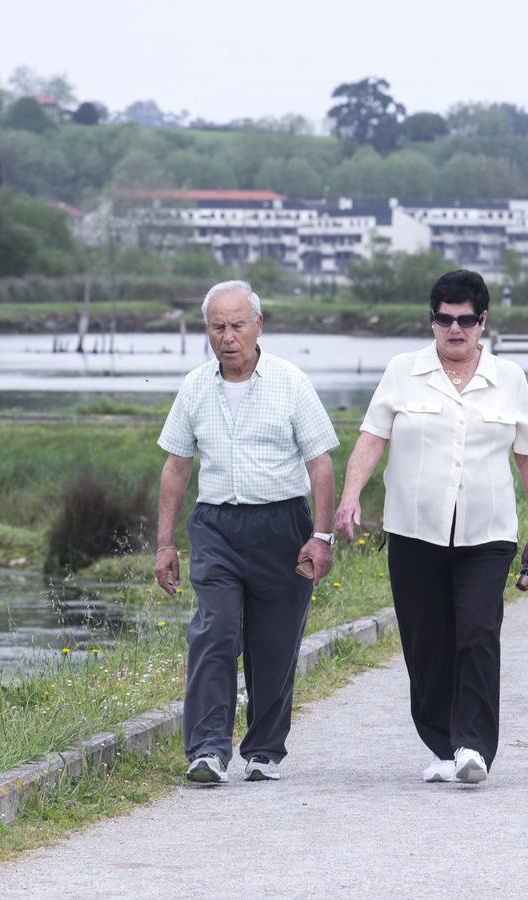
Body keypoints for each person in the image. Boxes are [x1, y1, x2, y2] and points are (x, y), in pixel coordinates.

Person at [335, 269, 528, 786]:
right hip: (414, 532)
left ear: (483, 322)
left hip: (488, 533)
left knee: (478, 632)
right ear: (431, 320)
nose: (454, 329)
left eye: (465, 321)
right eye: (444, 319)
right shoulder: (402, 372)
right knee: (426, 641)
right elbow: (371, 439)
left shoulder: (510, 379)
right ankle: (444, 742)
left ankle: (474, 746)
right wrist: (349, 498)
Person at [154, 279, 338, 785]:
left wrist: (321, 538)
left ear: (259, 325)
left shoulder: (291, 381)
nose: (227, 336)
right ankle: (208, 750)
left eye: (237, 325)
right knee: (215, 631)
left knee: (274, 644)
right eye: (217, 327)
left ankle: (264, 749)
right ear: (207, 331)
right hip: (217, 526)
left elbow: (321, 466)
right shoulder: (195, 386)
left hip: (283, 524)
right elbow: (175, 467)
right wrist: (165, 543)